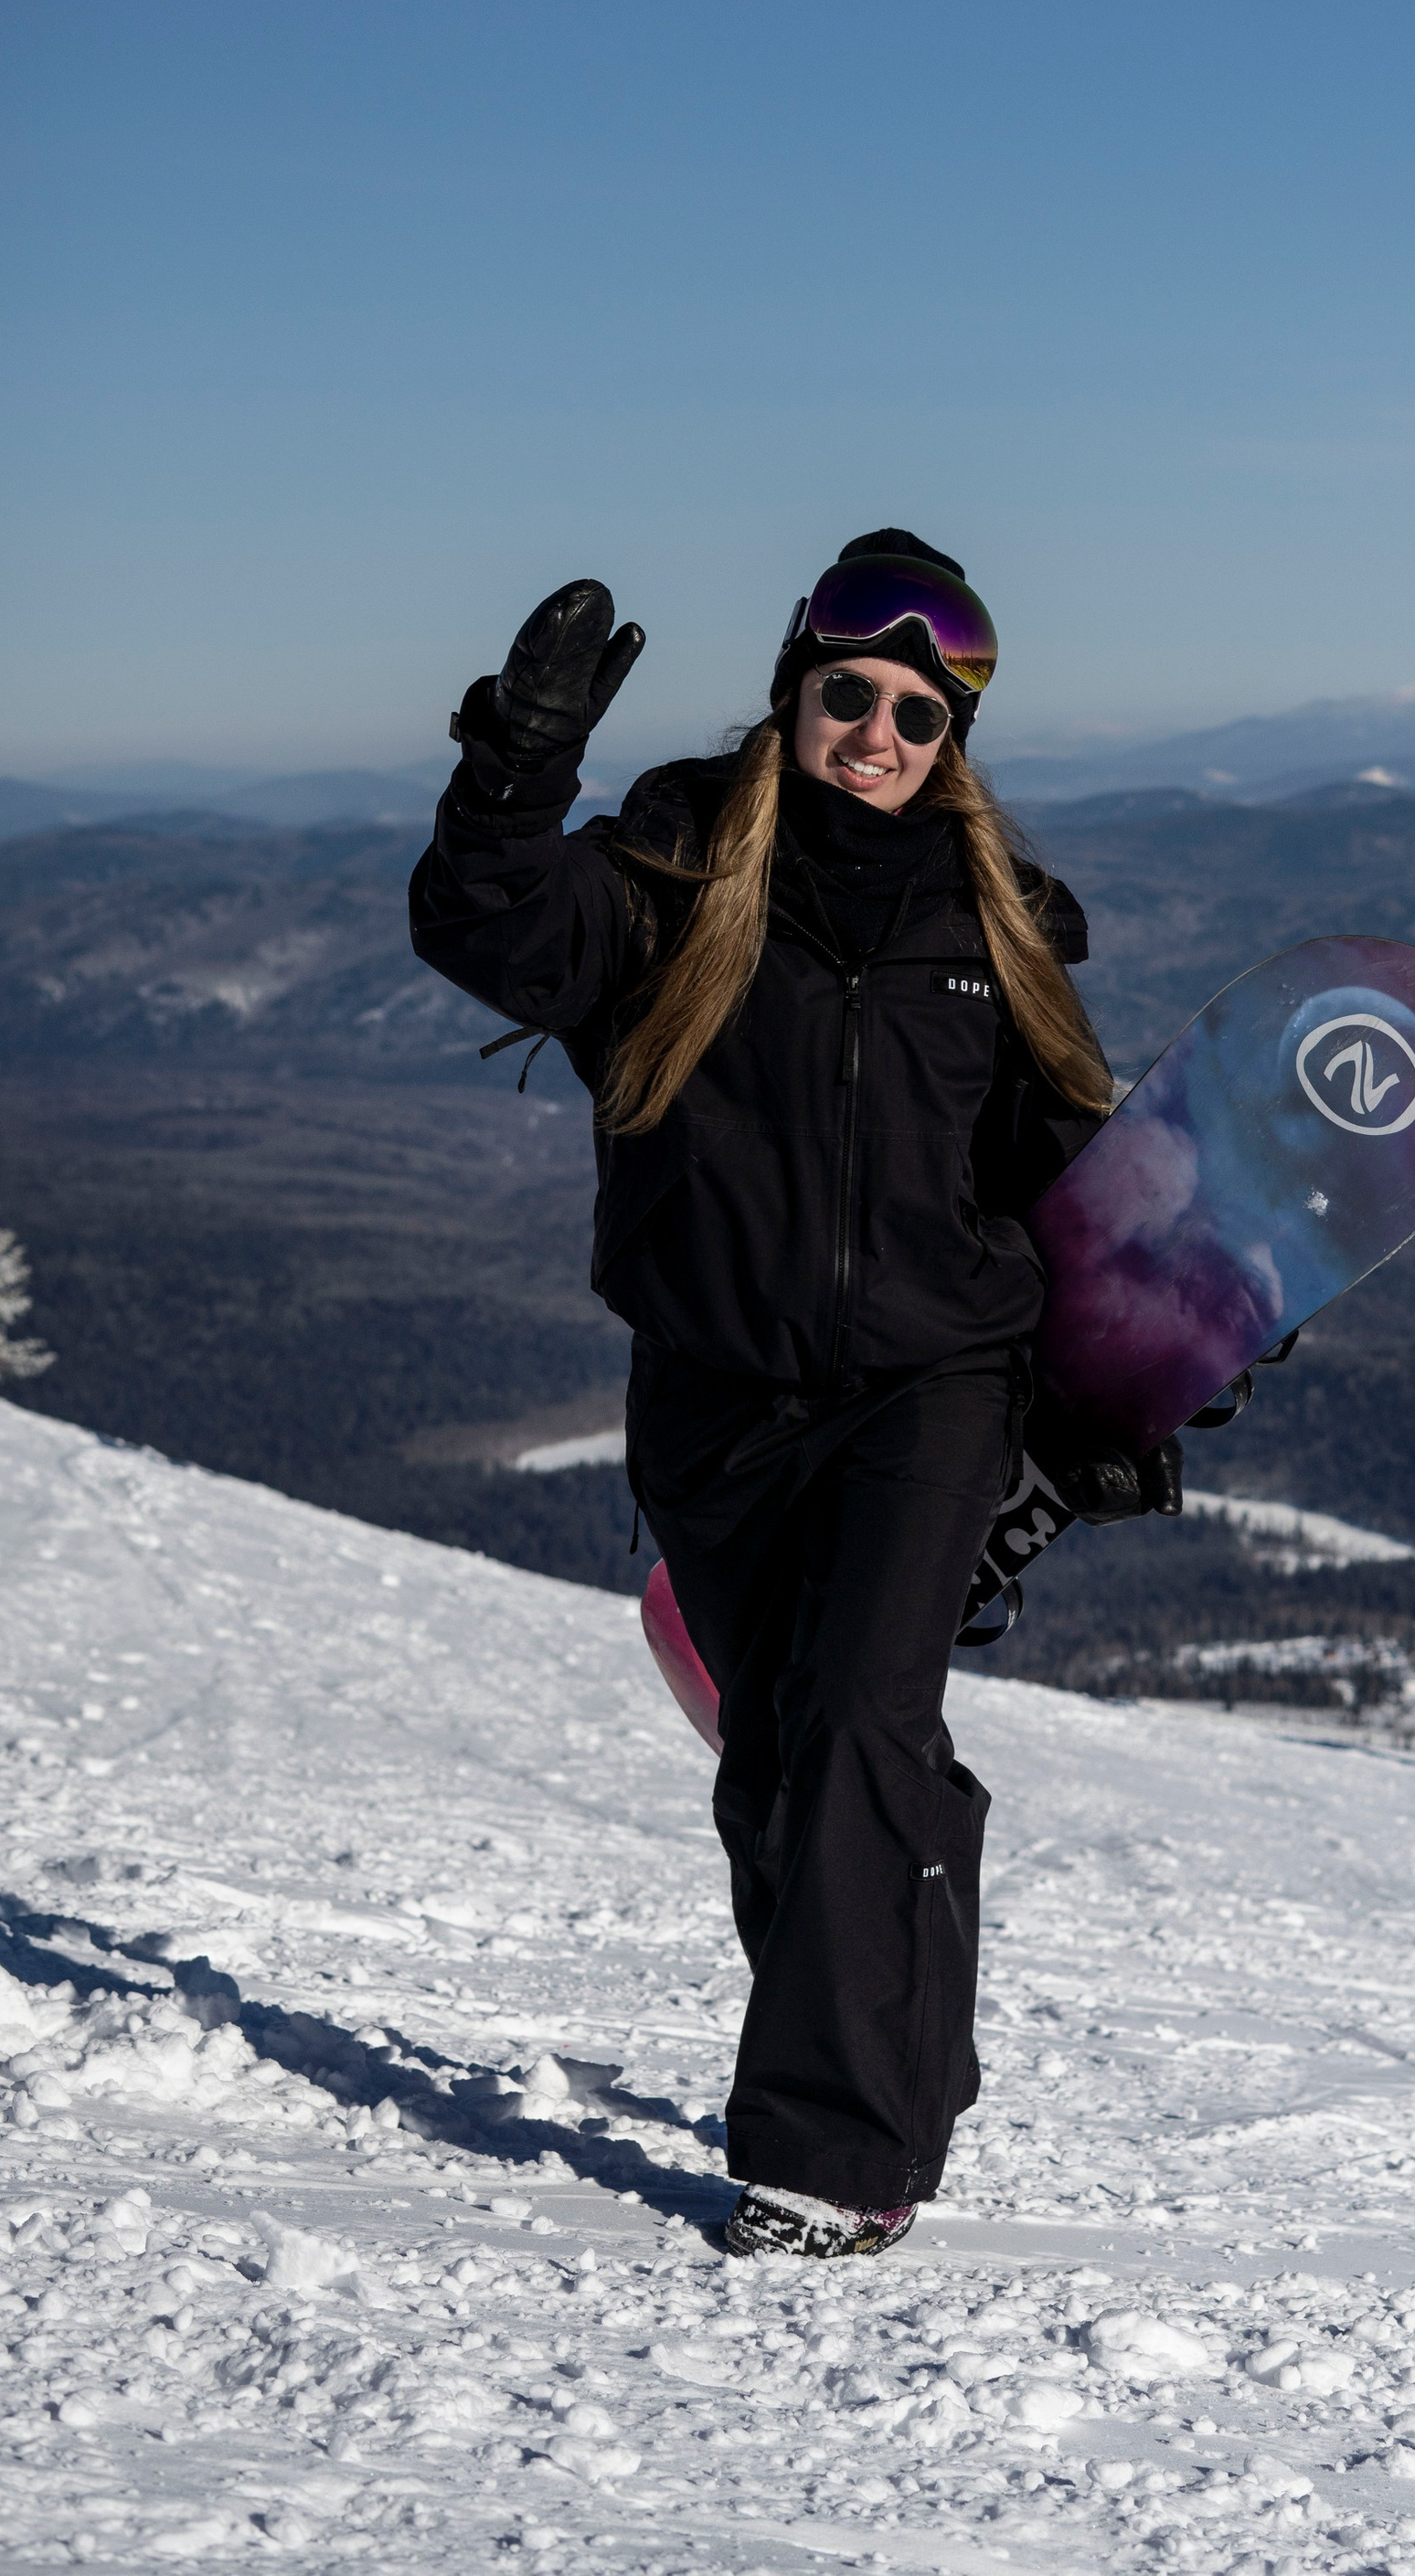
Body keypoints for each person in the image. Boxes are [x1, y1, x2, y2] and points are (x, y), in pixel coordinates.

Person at [408, 530, 1144, 2260]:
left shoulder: (998, 924)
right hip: (716, 1398)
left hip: (931, 1391)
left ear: (953, 739)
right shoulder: (668, 871)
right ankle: (903, 2044)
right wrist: (518, 765)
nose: (878, 733)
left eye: (919, 713)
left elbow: (1064, 1177)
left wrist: (1148, 1362)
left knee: (864, 1726)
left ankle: (833, 2157)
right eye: (850, 694)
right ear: (793, 687)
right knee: (782, 1768)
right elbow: (488, 927)